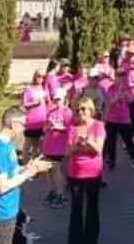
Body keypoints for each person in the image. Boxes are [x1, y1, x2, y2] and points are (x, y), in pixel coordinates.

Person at [0, 106, 52, 244]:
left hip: (9, 208)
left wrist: (29, 167)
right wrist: (27, 174)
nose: (24, 129)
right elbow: (1, 186)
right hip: (1, 211)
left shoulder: (7, 146)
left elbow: (11, 171)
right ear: (14, 124)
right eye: (23, 125)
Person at [66, 97, 106, 244]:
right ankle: (75, 240)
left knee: (92, 207)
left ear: (90, 110)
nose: (80, 112)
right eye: (77, 109)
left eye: (83, 109)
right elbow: (67, 152)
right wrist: (76, 145)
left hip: (93, 172)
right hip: (75, 173)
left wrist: (89, 141)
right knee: (76, 208)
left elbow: (99, 150)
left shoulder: (98, 126)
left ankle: (91, 239)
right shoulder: (73, 128)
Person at [42, 87, 73, 208]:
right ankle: (53, 191)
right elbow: (44, 128)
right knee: (49, 170)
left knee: (56, 170)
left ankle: (61, 194)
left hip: (60, 146)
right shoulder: (51, 112)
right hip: (49, 145)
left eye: (59, 100)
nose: (57, 102)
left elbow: (71, 130)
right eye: (55, 100)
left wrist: (59, 127)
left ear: (64, 99)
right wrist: (47, 128)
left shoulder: (68, 113)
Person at [21, 71, 48, 161]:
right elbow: (24, 104)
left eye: (42, 77)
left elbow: (48, 102)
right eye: (39, 76)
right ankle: (24, 161)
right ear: (35, 77)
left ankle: (35, 161)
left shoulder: (44, 88)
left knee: (39, 143)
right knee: (28, 142)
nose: (40, 79)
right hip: (32, 120)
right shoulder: (29, 89)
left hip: (42, 120)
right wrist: (34, 103)